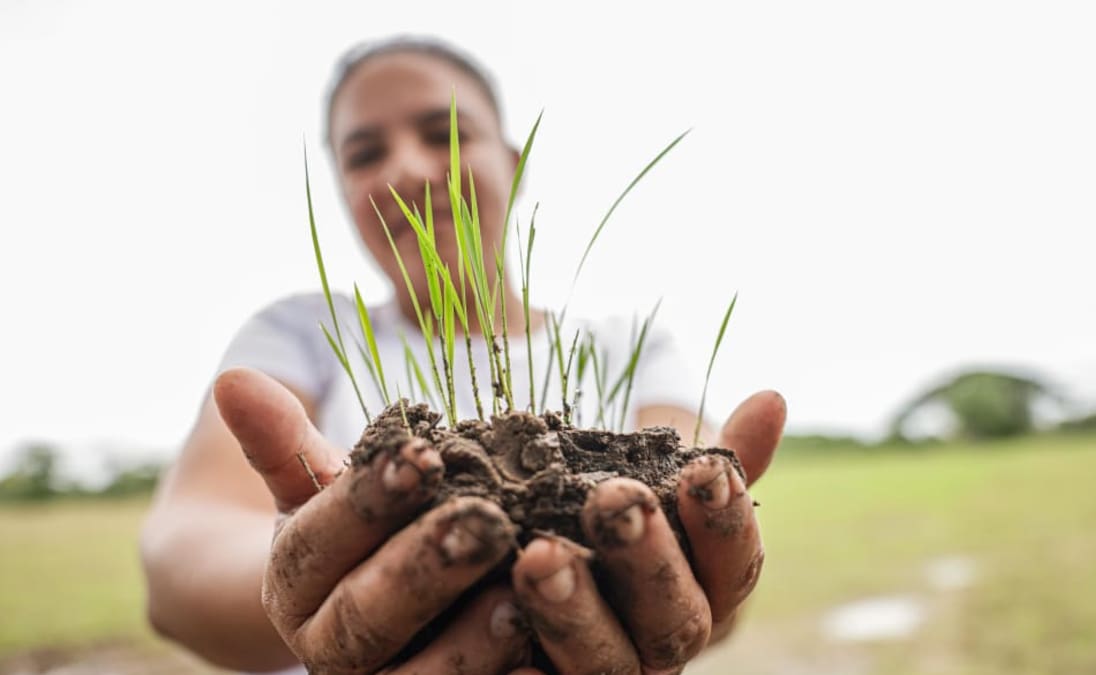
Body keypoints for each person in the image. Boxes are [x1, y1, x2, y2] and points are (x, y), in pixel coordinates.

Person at [139, 35, 787, 675]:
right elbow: (180, 556)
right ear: (341, 189)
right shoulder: (304, 332)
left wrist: (699, 556)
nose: (409, 171)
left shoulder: (628, 346)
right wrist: (317, 568)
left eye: (444, 133)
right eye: (365, 154)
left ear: (513, 159)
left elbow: (699, 553)